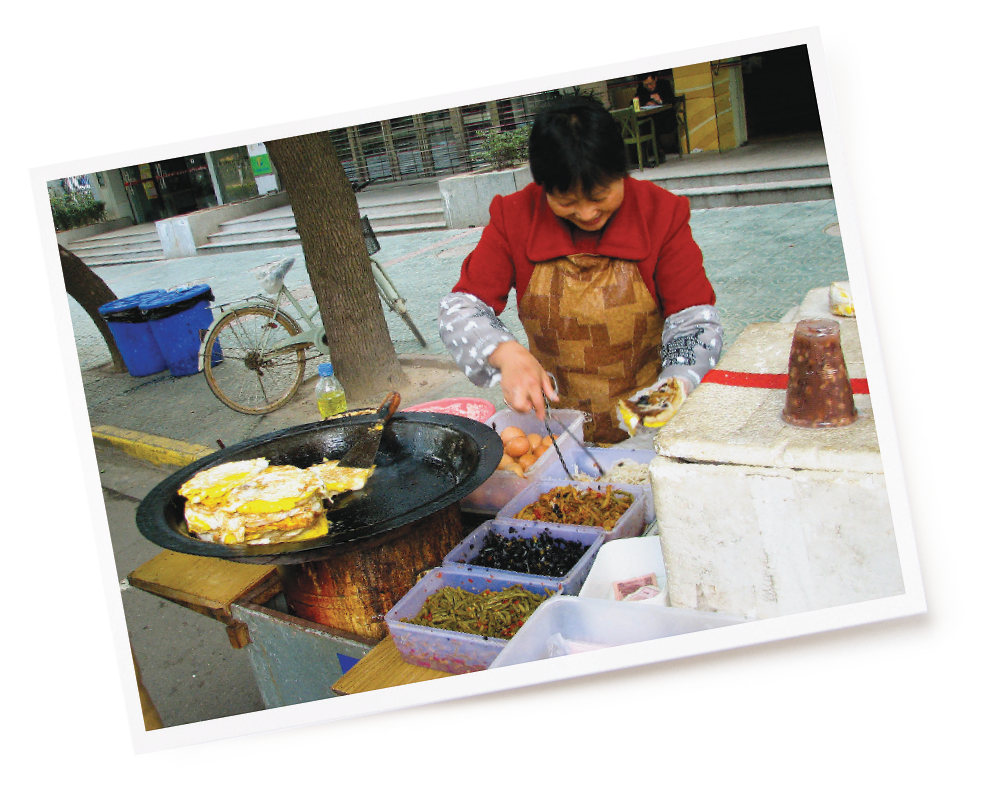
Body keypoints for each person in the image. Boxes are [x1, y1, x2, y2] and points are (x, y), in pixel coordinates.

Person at [437, 95, 722, 444]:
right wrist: (505, 353)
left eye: (600, 196)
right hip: (554, 431)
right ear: (543, 186)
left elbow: (693, 323)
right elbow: (461, 309)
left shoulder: (660, 214)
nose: (586, 213)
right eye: (567, 201)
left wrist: (672, 388)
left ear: (622, 172)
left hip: (648, 428)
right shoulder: (515, 217)